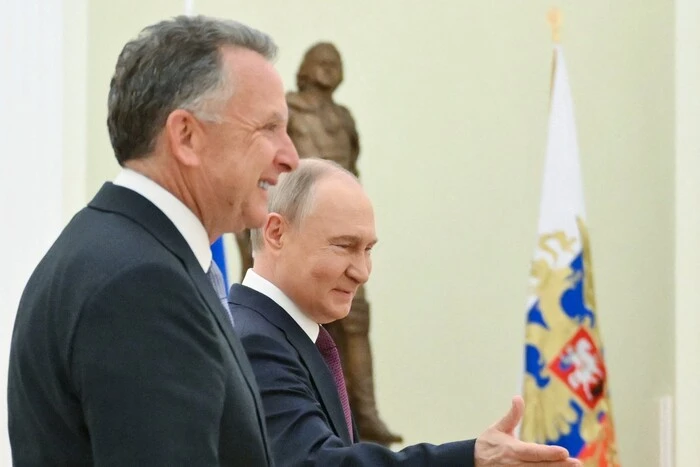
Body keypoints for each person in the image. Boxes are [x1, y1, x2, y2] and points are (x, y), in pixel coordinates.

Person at [7, 15, 298, 466]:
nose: (290, 157)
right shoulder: (142, 286)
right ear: (186, 136)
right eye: (268, 128)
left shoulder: (117, 251)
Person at [230, 158, 581, 466]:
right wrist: (471, 459)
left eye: (368, 250)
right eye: (344, 246)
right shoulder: (255, 343)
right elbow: (318, 463)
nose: (362, 272)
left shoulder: (281, 335)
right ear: (276, 233)